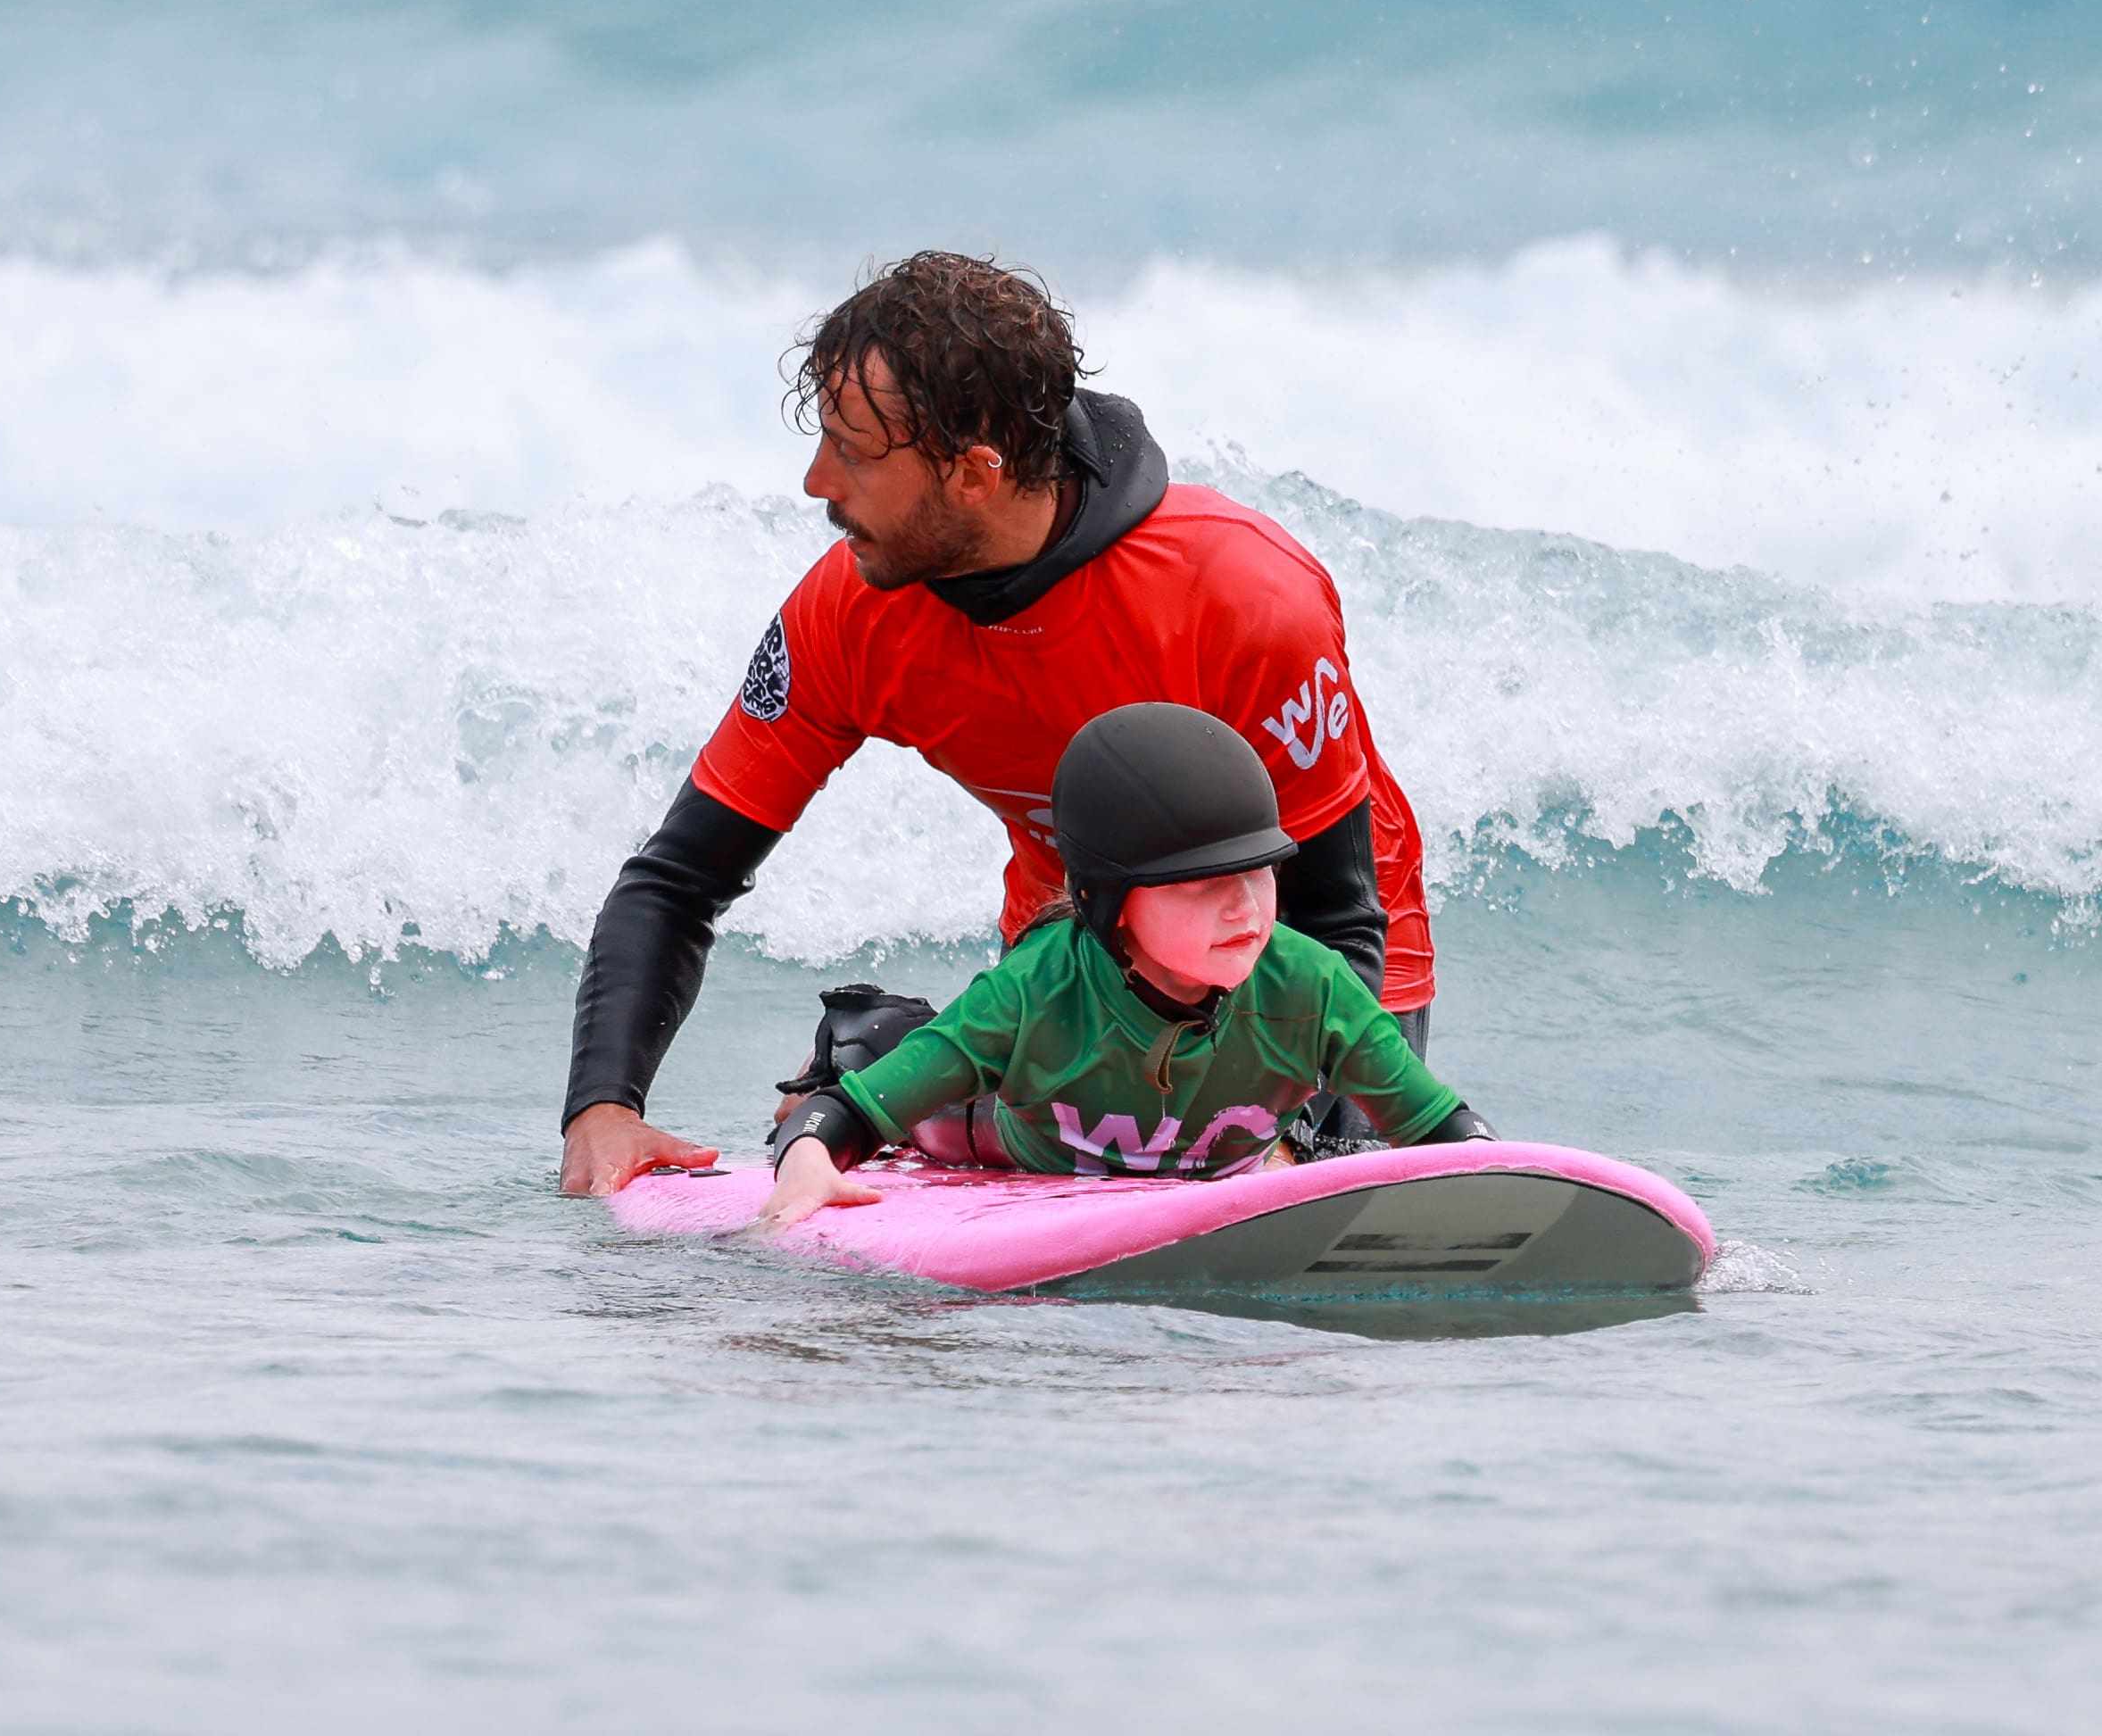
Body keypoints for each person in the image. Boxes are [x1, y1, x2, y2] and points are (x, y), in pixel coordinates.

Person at [556, 249, 1437, 1194]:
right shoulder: (850, 612)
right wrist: (605, 1109)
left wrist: (1287, 1134)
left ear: (974, 474)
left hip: (1321, 978)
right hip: (1075, 964)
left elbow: (1340, 913)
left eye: (852, 452)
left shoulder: (1239, 596)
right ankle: (871, 1056)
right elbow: (680, 877)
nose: (817, 482)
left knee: (1290, 1172)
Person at [759, 705, 1483, 1228]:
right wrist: (810, 1157)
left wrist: (1499, 1176)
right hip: (1004, 1139)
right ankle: (856, 1031)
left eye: (1259, 873)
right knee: (913, 1083)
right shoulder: (1033, 995)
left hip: (1183, 1153)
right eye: (1202, 884)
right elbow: (846, 1118)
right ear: (1113, 905)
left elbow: (1441, 1125)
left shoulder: (1311, 987)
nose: (1247, 910)